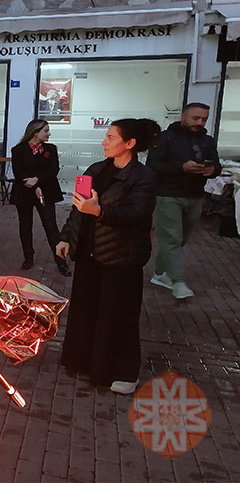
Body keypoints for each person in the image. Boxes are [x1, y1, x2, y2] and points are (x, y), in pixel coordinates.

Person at [56, 119, 158, 394]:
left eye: (111, 137)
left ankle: (122, 372)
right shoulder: (96, 170)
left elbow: (137, 216)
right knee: (85, 309)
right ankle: (83, 361)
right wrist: (66, 236)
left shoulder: (143, 177)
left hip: (121, 257)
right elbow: (78, 208)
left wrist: (100, 212)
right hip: (89, 252)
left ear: (130, 143)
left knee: (118, 314)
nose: (104, 142)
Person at [146, 103, 221, 299]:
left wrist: (212, 170)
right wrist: (182, 168)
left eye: (204, 119)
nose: (200, 122)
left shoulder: (207, 141)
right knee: (172, 238)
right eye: (195, 118)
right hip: (167, 195)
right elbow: (152, 165)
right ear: (183, 116)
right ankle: (178, 281)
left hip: (195, 196)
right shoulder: (165, 138)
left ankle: (160, 273)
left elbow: (217, 164)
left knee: (179, 240)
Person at [10, 119, 71, 276]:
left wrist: (37, 180)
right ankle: (28, 257)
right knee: (25, 225)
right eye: (46, 131)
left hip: (47, 192)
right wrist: (34, 186)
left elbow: (53, 170)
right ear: (35, 133)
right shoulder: (18, 150)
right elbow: (19, 173)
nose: (49, 134)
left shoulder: (50, 149)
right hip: (24, 192)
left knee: (50, 226)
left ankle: (61, 261)